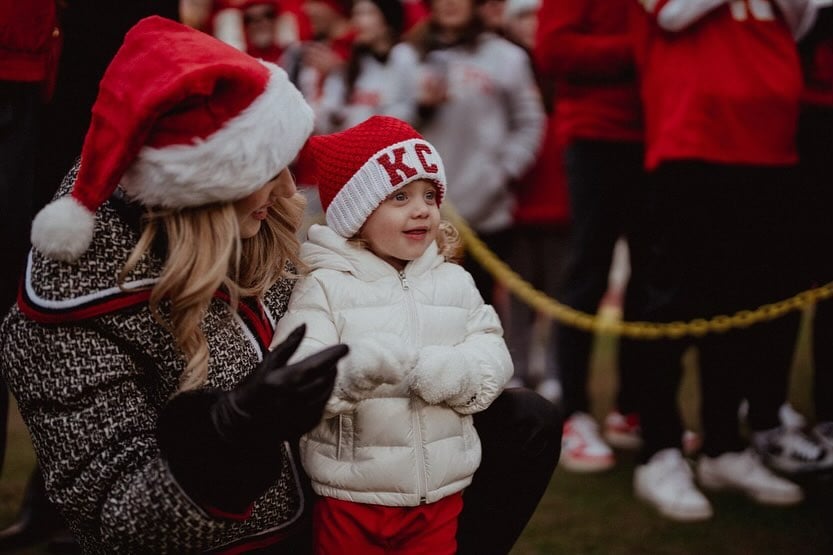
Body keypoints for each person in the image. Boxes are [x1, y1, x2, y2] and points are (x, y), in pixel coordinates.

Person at [2, 16, 561, 553]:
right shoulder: (66, 318)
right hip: (233, 536)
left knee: (525, 424)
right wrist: (229, 440)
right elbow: (114, 516)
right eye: (268, 169)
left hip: (351, 492)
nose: (289, 188)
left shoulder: (265, 232)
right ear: (209, 185)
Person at [273, 115, 513, 554]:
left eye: (429, 195)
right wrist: (352, 374)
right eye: (399, 196)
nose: (421, 208)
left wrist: (453, 373)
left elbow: (492, 351)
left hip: (439, 498)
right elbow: (295, 374)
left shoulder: (453, 281)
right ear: (357, 214)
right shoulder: (325, 285)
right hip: (350, 499)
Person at [631, 0, 825, 520]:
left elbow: (799, 20)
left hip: (768, 146)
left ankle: (723, 445)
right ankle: (660, 449)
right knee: (671, 306)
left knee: (745, 309)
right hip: (694, 139)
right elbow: (671, 14)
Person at [534, 0, 648, 472]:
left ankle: (633, 407)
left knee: (652, 281)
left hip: (657, 134)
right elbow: (553, 50)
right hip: (595, 134)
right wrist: (640, 50)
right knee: (588, 273)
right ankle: (573, 413)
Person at [406, 0, 546, 309]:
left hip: (487, 211)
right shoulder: (409, 55)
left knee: (479, 313)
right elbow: (387, 125)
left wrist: (502, 173)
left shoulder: (506, 57)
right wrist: (422, 108)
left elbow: (530, 123)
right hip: (420, 212)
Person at [501, 0, 570, 403]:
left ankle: (557, 371)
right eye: (524, 16)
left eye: (538, 15)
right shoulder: (509, 69)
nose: (532, 25)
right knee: (519, 298)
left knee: (562, 296)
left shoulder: (562, 71)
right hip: (517, 202)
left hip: (564, 201)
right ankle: (519, 367)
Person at [314, 0, 419, 133]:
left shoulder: (403, 55)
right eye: (355, 14)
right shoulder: (351, 62)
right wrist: (335, 117)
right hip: (352, 147)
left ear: (387, 18)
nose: (357, 21)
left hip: (389, 147)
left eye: (367, 13)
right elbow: (325, 115)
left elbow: (411, 112)